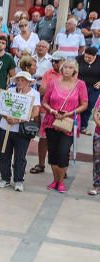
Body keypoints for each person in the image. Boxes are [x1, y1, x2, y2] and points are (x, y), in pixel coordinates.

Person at [39, 59, 88, 193]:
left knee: (63, 152)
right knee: (53, 153)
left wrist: (70, 113)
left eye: (70, 67)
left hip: (69, 124)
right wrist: (53, 111)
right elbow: (44, 101)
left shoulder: (80, 84)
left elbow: (84, 104)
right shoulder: (53, 82)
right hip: (52, 121)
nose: (67, 70)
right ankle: (55, 180)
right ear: (61, 69)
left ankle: (61, 181)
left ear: (75, 70)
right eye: (65, 67)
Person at [0, 71, 42, 192]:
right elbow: (1, 107)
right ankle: (5, 178)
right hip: (5, 127)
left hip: (22, 130)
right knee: (4, 154)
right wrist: (7, 118)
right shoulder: (10, 91)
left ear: (28, 82)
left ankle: (18, 180)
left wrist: (17, 120)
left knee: (20, 156)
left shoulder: (34, 94)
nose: (20, 82)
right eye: (18, 80)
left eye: (23, 80)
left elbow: (35, 112)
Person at [76, 46, 100, 134]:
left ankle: (83, 125)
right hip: (80, 86)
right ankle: (76, 124)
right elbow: (74, 71)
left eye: (89, 57)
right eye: (86, 56)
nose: (87, 59)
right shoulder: (78, 59)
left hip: (94, 88)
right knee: (79, 104)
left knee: (89, 105)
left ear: (95, 56)